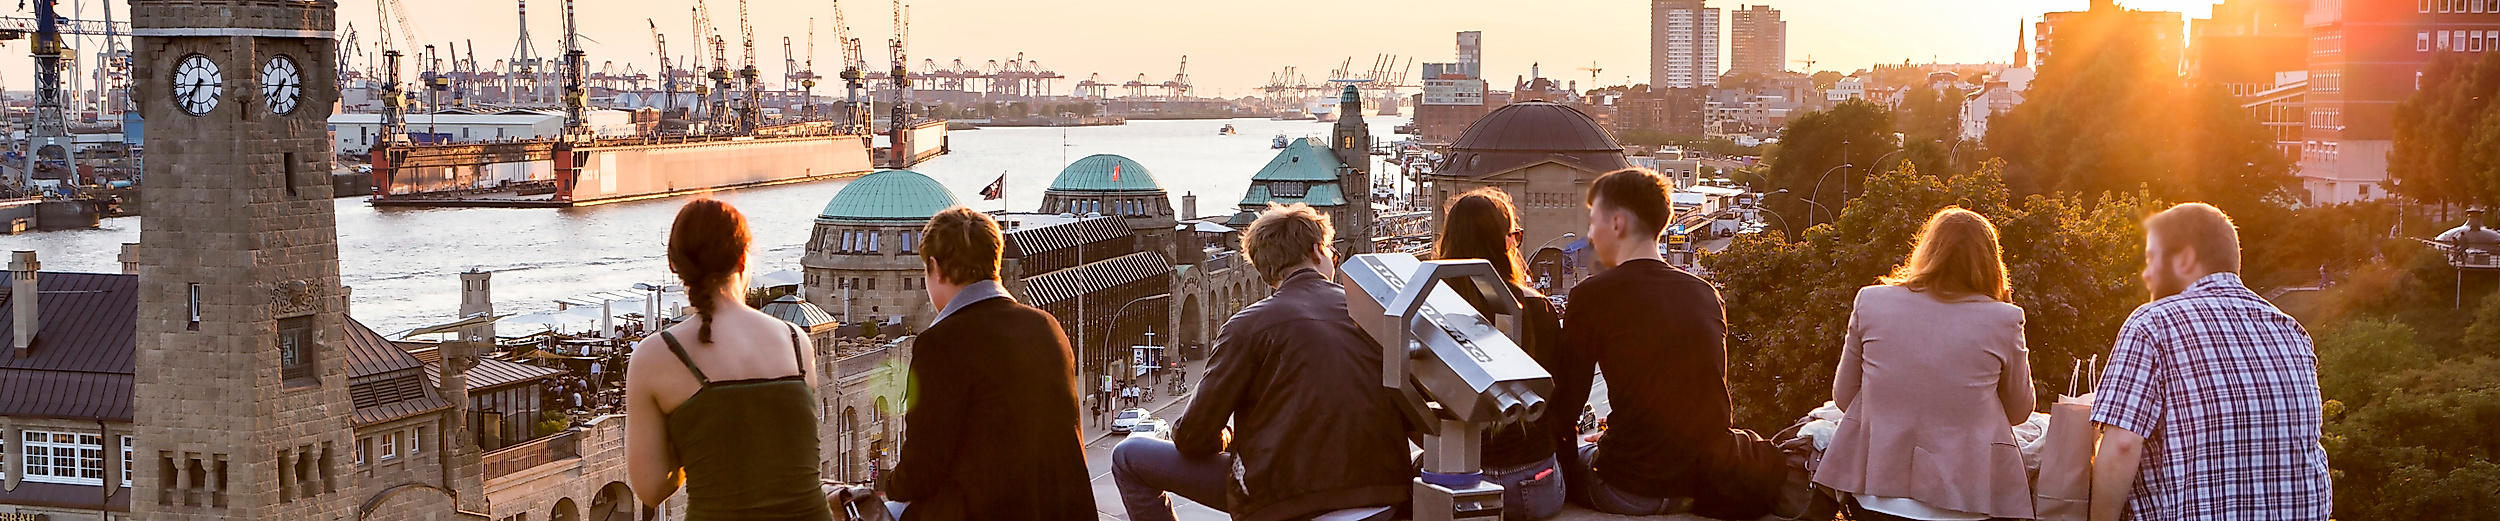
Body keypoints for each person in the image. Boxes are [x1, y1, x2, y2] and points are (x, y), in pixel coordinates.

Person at [1111, 203, 1411, 521]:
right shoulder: (1372, 316)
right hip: (1385, 497)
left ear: (1267, 273)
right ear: (1316, 250)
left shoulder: (1246, 327)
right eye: (1331, 252)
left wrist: (1227, 439)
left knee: (1128, 456)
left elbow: (1191, 436)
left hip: (1284, 501)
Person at [1562, 169, 1784, 520]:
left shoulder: (1591, 295)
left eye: (1594, 222)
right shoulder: (1705, 294)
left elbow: (1566, 406)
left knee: (1572, 459)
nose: (1590, 235)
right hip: (1704, 483)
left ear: (1617, 223)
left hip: (1627, 489)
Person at [2089, 203, 2331, 521]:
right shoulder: (2290, 329)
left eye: (2151, 260)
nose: (2146, 275)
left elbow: (2122, 444)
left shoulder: (2153, 324)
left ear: (2186, 259)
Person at [1813, 208, 2037, 521]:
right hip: (1964, 503)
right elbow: (2019, 411)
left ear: (1926, 249)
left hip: (1876, 495)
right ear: (1991, 261)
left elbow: (1844, 396)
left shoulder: (1871, 301)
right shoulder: (2005, 319)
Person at [877, 207, 1096, 520]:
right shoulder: (1047, 327)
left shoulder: (941, 343)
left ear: (935, 268)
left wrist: (886, 487)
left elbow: (921, 470)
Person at [625, 199, 836, 520]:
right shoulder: (796, 341)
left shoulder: (655, 355)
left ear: (674, 265)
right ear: (742, 259)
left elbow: (652, 489)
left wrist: (691, 438)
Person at [1431, 188, 1592, 520]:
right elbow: (1564, 398)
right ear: (1506, 243)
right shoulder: (1535, 308)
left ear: (1448, 241)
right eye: (1515, 236)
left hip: (1457, 480)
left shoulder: (1430, 308)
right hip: (1535, 483)